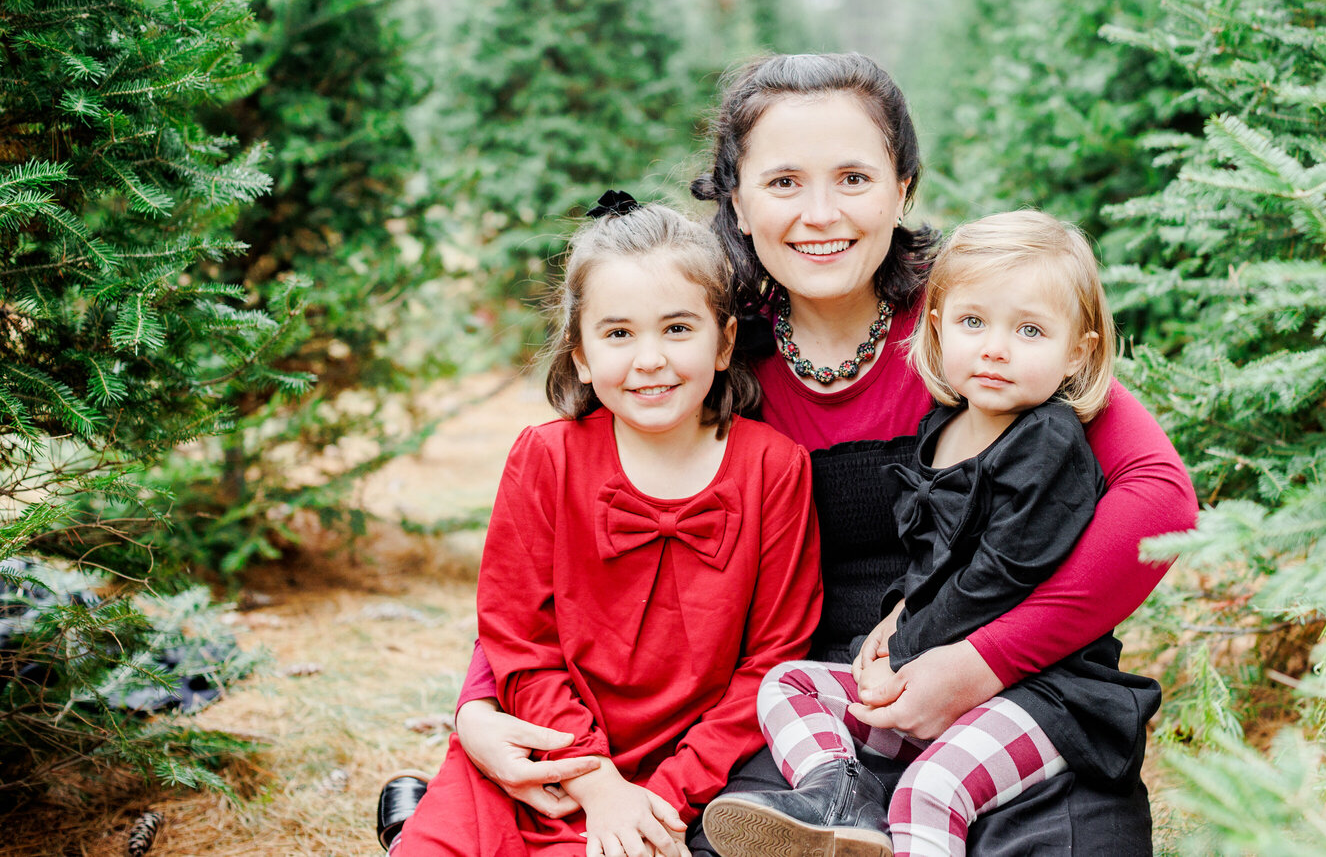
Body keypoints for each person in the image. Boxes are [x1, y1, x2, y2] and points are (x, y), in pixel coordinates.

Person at [381, 53, 1199, 857]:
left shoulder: (970, 330)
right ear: (734, 199)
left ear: (903, 188)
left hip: (1011, 674)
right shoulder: (701, 346)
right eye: (782, 183)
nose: (820, 214)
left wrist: (981, 662)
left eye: (853, 178)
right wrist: (479, 708)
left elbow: (1161, 498)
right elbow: (558, 551)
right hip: (804, 711)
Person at [700, 211, 1161, 857]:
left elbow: (1001, 574)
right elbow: (928, 561)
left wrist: (908, 639)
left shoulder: (1049, 439)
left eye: (1030, 330)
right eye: (975, 324)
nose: (996, 347)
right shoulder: (943, 429)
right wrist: (892, 621)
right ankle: (837, 795)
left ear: (1078, 351)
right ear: (939, 329)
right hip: (931, 671)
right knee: (790, 685)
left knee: (931, 788)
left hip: (1042, 690)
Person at [389, 196, 822, 857]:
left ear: (725, 340)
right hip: (545, 758)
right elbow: (519, 641)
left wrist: (663, 795)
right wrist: (595, 779)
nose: (649, 358)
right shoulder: (546, 458)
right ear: (582, 354)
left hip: (684, 772)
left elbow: (774, 659)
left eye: (677, 328)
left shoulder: (774, 467)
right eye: (619, 334)